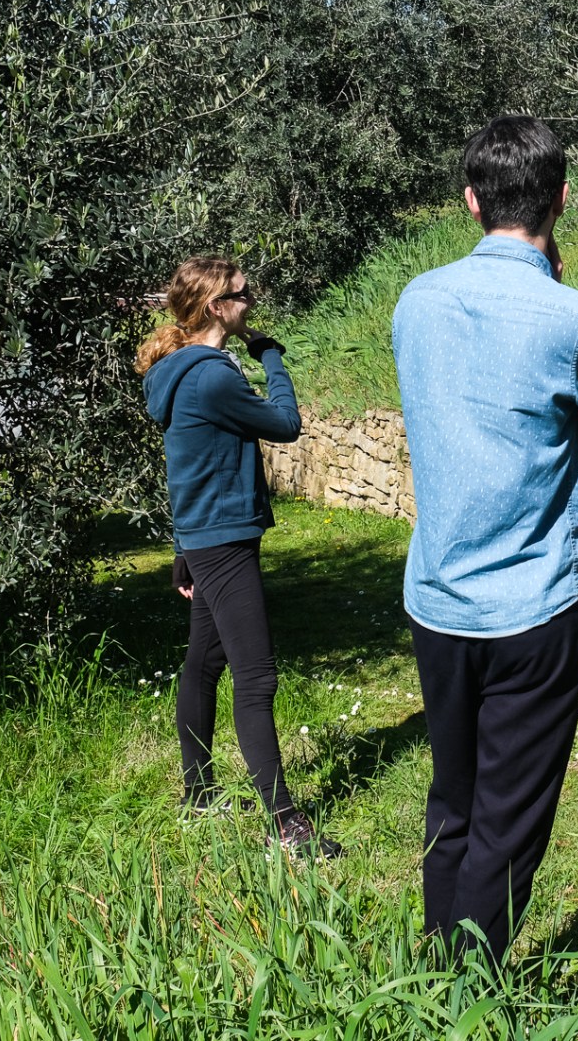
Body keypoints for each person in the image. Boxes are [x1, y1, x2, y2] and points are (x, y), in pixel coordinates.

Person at [393, 115, 578, 959]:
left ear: (470, 199)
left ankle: (433, 973)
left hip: (438, 598)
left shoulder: (416, 299)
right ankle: (468, 988)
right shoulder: (573, 316)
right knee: (511, 817)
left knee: (454, 799)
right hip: (534, 603)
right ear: (562, 200)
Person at [137, 257, 341, 858]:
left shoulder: (181, 371)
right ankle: (287, 826)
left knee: (203, 661)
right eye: (241, 295)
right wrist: (271, 356)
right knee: (256, 675)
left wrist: (182, 552)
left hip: (206, 539)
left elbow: (188, 466)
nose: (251, 302)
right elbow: (285, 423)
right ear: (214, 308)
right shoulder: (211, 377)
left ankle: (197, 795)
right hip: (223, 542)